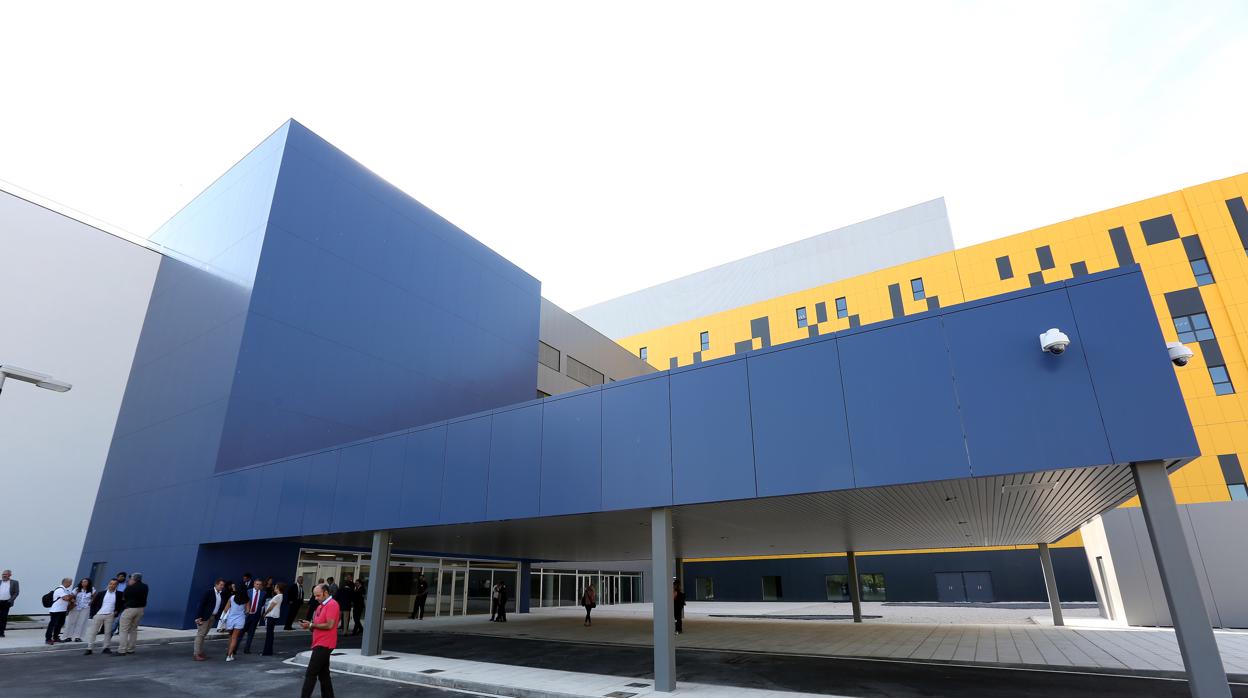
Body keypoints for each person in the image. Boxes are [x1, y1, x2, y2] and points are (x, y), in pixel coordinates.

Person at [300, 583, 339, 698]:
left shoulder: (332, 604)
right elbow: (316, 626)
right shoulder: (320, 606)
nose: (316, 598)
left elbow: (329, 625)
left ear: (326, 593)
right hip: (319, 643)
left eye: (318, 595)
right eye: (314, 595)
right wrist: (309, 625)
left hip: (325, 644)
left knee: (311, 673)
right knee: (324, 675)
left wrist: (311, 625)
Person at [83, 578, 123, 655]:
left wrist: (117, 611)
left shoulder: (119, 594)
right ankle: (89, 648)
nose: (112, 585)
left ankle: (106, 648)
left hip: (110, 615)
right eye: (110, 584)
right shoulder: (101, 593)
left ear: (117, 585)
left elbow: (121, 604)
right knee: (93, 632)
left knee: (108, 632)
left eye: (114, 584)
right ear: (108, 584)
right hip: (99, 615)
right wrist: (93, 614)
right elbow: (93, 604)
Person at [193, 579, 226, 661]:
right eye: (221, 585)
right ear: (216, 584)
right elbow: (201, 604)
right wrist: (198, 617)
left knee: (204, 635)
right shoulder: (208, 592)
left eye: (223, 585)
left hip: (212, 617)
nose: (222, 587)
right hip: (204, 617)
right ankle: (196, 654)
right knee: (200, 635)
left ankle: (200, 652)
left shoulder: (221, 594)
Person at [116, 572, 148, 655]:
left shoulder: (129, 587)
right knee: (133, 630)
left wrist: (129, 585)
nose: (129, 580)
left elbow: (124, 598)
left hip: (130, 609)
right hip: (140, 609)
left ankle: (122, 650)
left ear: (134, 579)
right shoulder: (145, 587)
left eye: (131, 578)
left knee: (123, 630)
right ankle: (131, 649)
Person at [241, 578, 267, 654]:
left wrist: (261, 614)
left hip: (256, 615)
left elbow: (262, 605)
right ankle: (234, 648)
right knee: (241, 632)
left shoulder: (263, 593)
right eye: (257, 584)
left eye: (260, 584)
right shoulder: (248, 591)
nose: (258, 586)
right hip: (247, 615)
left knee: (251, 633)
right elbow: (244, 602)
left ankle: (247, 649)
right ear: (254, 584)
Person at [64, 578, 94, 642]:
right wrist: (73, 600)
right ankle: (68, 636)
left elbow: (94, 597)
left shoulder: (92, 589)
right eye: (82, 582)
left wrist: (90, 602)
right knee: (71, 621)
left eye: (85, 582)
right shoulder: (77, 589)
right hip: (75, 607)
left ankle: (77, 637)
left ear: (88, 582)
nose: (84, 583)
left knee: (81, 622)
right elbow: (71, 596)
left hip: (85, 608)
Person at [45, 577, 73, 645]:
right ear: (66, 582)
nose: (71, 584)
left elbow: (69, 598)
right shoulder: (60, 590)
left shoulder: (66, 590)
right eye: (70, 582)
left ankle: (55, 637)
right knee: (52, 625)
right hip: (56, 610)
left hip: (63, 610)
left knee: (60, 624)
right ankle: (48, 639)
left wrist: (70, 597)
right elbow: (66, 598)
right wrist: (70, 597)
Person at [223, 586, 247, 662]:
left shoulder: (232, 597)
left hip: (231, 619)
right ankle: (229, 655)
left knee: (231, 637)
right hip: (240, 620)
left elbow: (225, 609)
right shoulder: (246, 599)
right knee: (234, 638)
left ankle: (229, 653)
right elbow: (247, 611)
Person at [262, 582, 285, 655]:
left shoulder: (277, 596)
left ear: (278, 588)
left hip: (271, 616)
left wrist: (265, 613)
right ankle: (268, 651)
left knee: (269, 634)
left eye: (275, 587)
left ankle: (267, 652)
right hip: (274, 616)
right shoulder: (280, 596)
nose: (274, 588)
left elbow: (271, 607)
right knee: (270, 634)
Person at [0, 569, 19, 637]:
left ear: (9, 575)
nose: (4, 575)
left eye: (5, 574)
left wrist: (10, 600)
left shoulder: (15, 582)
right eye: (3, 574)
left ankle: (1, 632)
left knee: (3, 618)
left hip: (6, 602)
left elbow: (16, 592)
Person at [110, 572, 127, 638]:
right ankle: (104, 630)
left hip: (122, 602)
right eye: (119, 577)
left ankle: (117, 631)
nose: (120, 578)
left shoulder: (126, 584)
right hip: (113, 600)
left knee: (120, 617)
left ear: (124, 577)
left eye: (122, 576)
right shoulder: (114, 583)